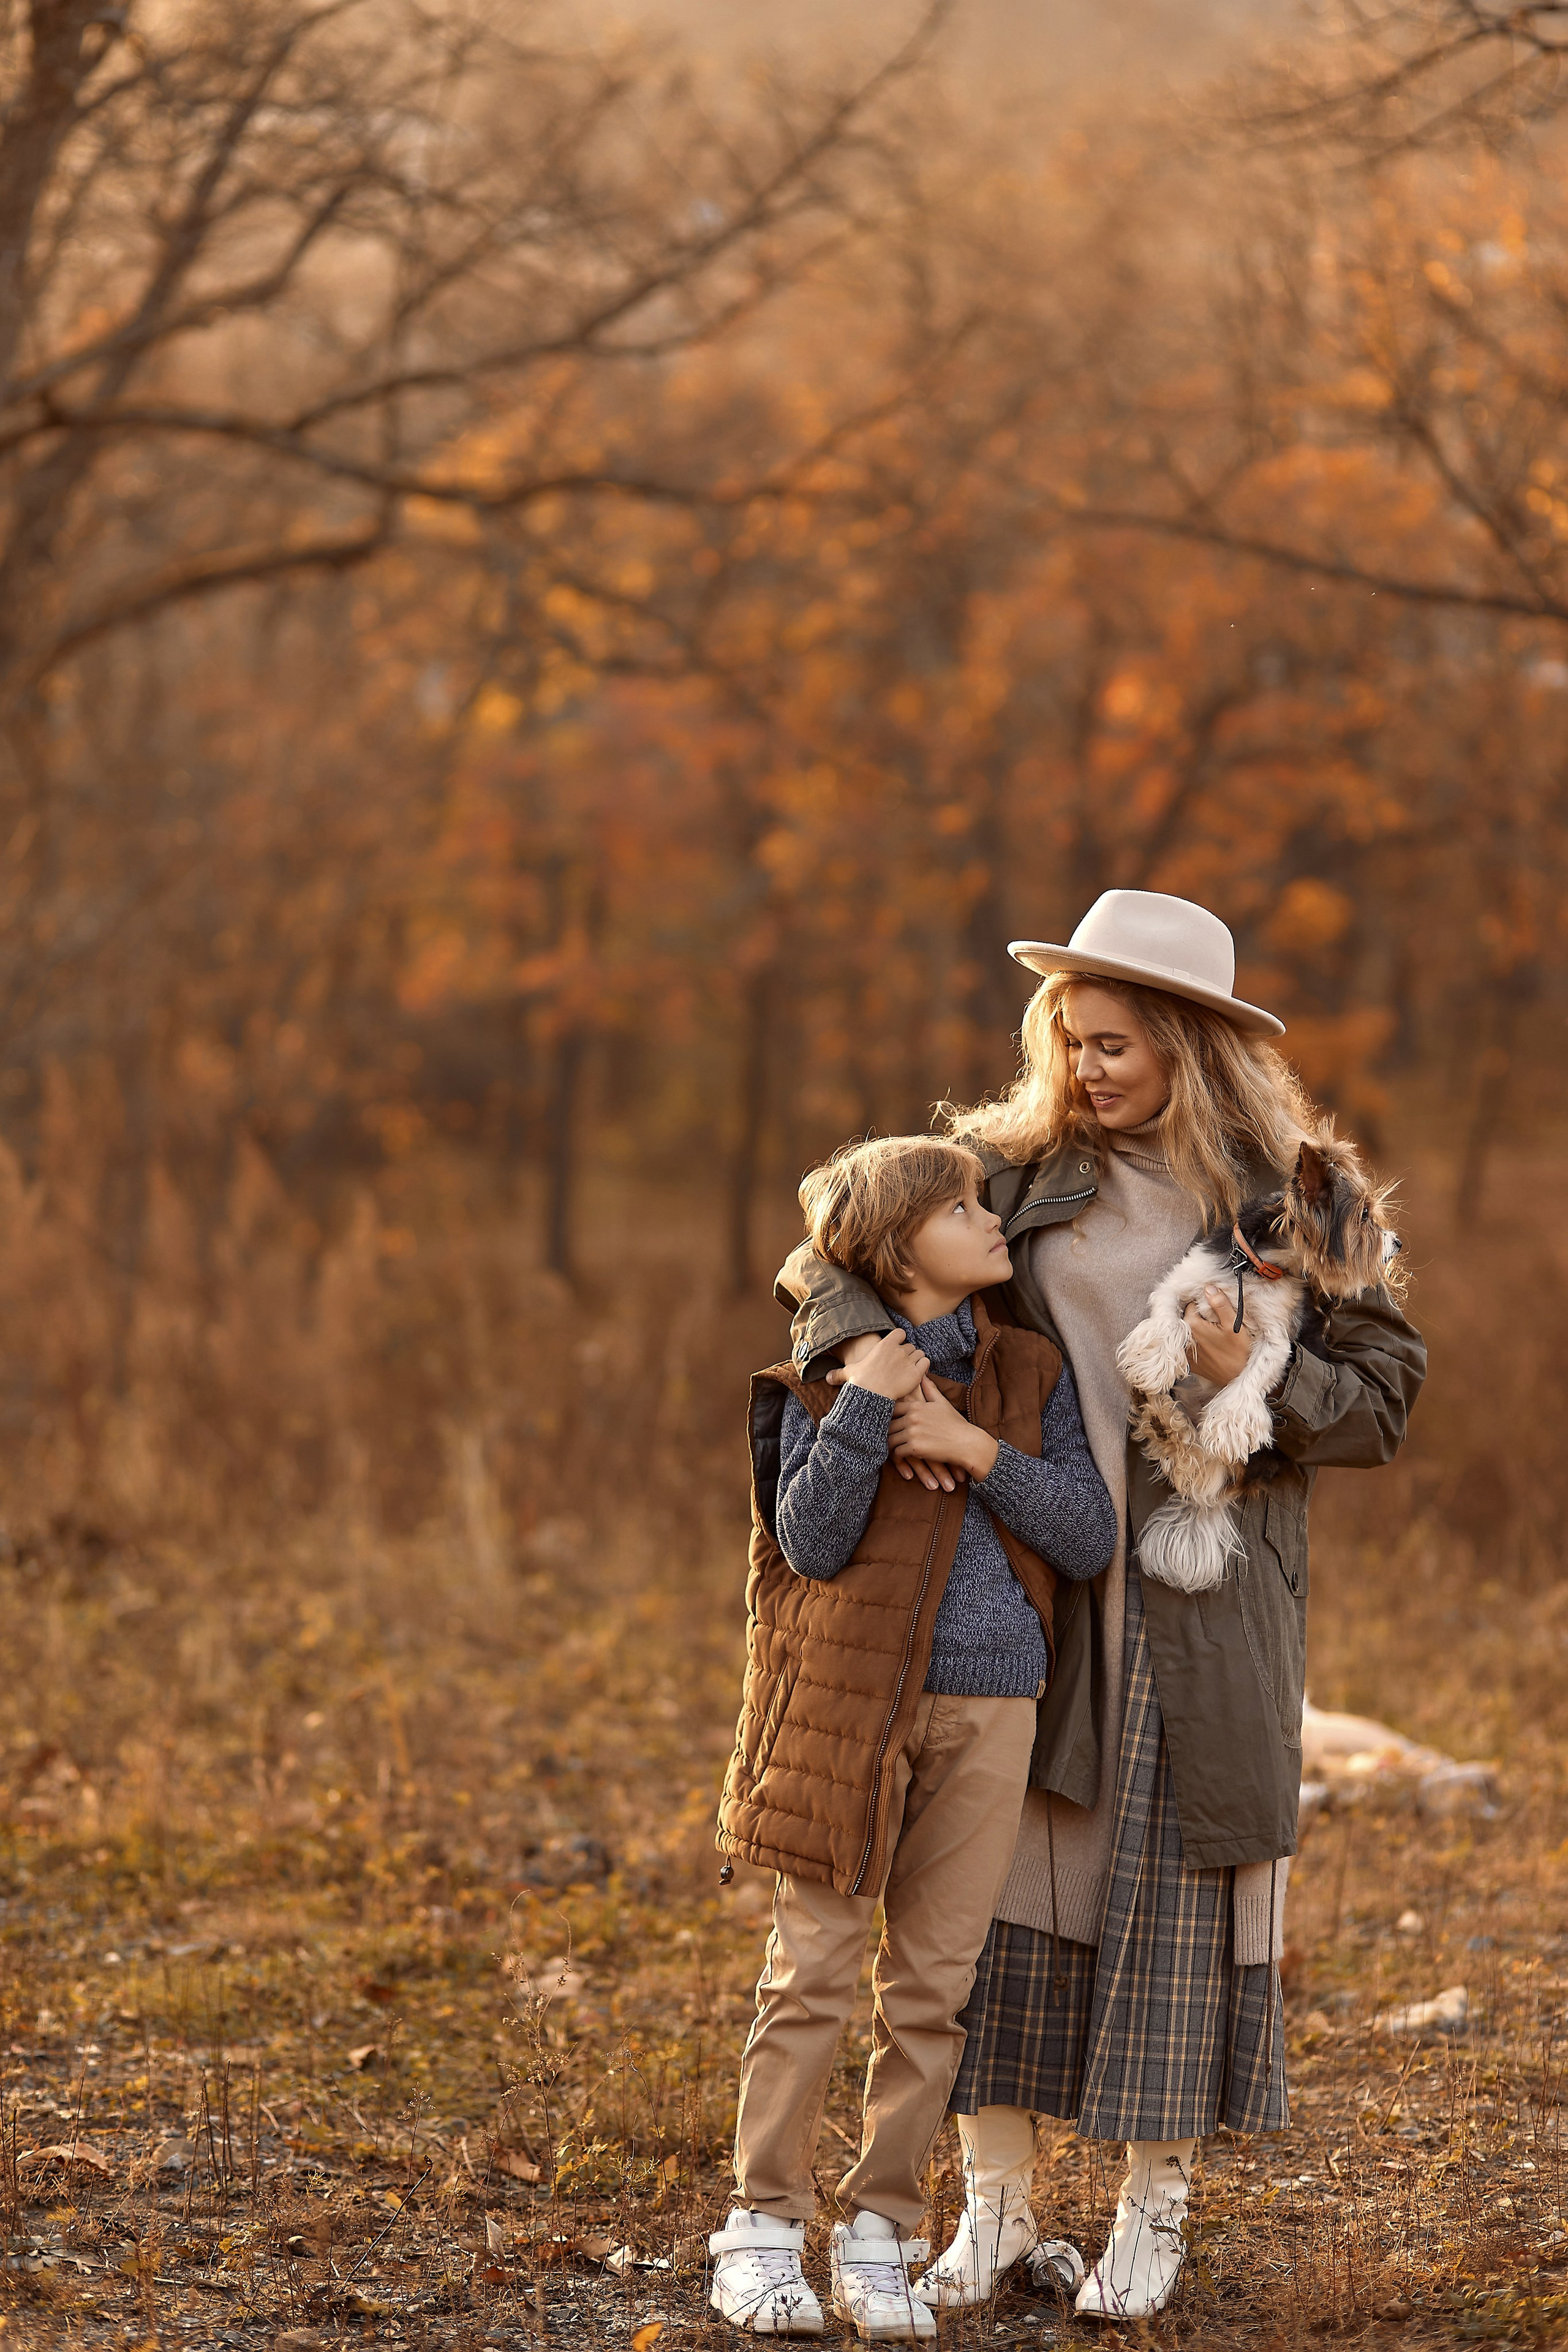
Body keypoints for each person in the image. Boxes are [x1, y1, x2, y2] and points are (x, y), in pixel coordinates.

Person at [777, 891, 1426, 2322]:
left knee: (1174, 1896)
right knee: (995, 1892)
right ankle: (994, 2207)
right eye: (1069, 1041)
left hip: (1202, 1604)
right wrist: (880, 1366)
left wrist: (1237, 1380)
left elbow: (1383, 1399)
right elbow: (829, 1261)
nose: (1085, 1068)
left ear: (1193, 1044)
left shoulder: (1303, 1197)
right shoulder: (1005, 1173)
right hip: (1018, 1575)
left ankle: (1152, 2208)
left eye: (1117, 1044)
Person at [710, 1133, 1115, 2341]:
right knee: (811, 1978)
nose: (993, 1223)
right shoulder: (823, 1378)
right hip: (845, 1711)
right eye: (962, 1208)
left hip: (993, 1706)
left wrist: (971, 1449)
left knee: (932, 1989)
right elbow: (811, 1542)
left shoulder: (1027, 1370)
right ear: (896, 1245)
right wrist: (869, 1410)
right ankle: (761, 2231)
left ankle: (879, 2230)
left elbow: (1085, 1535)